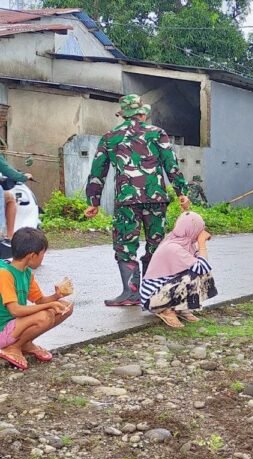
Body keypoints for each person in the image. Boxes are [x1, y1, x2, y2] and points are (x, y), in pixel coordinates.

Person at [84, 94, 191, 307]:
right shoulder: (158, 134)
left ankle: (131, 293)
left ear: (122, 114)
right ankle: (157, 291)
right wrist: (181, 192)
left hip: (127, 201)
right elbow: (171, 164)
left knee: (125, 245)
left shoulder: (110, 137)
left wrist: (93, 201)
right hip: (156, 200)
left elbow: (98, 171)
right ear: (142, 114)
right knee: (157, 244)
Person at [0, 228, 74, 370]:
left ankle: (25, 343)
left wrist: (57, 297)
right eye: (42, 254)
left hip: (14, 326)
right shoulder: (4, 274)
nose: (43, 258)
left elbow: (39, 300)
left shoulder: (26, 272)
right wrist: (50, 305)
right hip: (2, 328)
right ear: (32, 256)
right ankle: (12, 347)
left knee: (65, 306)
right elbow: (15, 310)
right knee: (44, 316)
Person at [140, 211, 217, 329]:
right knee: (193, 275)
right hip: (152, 299)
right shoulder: (174, 247)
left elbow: (203, 265)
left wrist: (198, 245)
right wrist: (202, 243)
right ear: (192, 229)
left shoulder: (185, 243)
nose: (201, 232)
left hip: (163, 291)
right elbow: (201, 267)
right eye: (200, 229)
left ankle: (180, 307)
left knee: (201, 273)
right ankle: (164, 310)